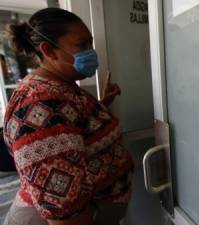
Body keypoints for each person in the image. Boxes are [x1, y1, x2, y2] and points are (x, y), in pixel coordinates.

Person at [3, 8, 133, 225]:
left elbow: (70, 128)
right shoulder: (39, 103)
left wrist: (102, 105)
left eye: (90, 44)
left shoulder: (60, 87)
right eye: (82, 45)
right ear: (49, 50)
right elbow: (62, 207)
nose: (91, 52)